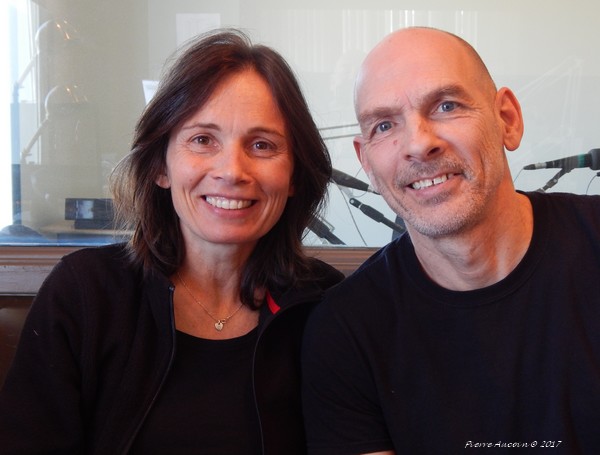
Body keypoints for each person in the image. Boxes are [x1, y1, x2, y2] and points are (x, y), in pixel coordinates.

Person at [0, 29, 343, 454]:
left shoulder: (327, 307)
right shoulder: (85, 294)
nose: (231, 171)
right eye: (203, 140)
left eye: (261, 145)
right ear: (161, 167)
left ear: (293, 177)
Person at [301, 26, 600, 454]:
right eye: (384, 125)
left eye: (446, 106)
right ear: (366, 161)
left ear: (507, 120)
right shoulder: (346, 333)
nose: (419, 144)